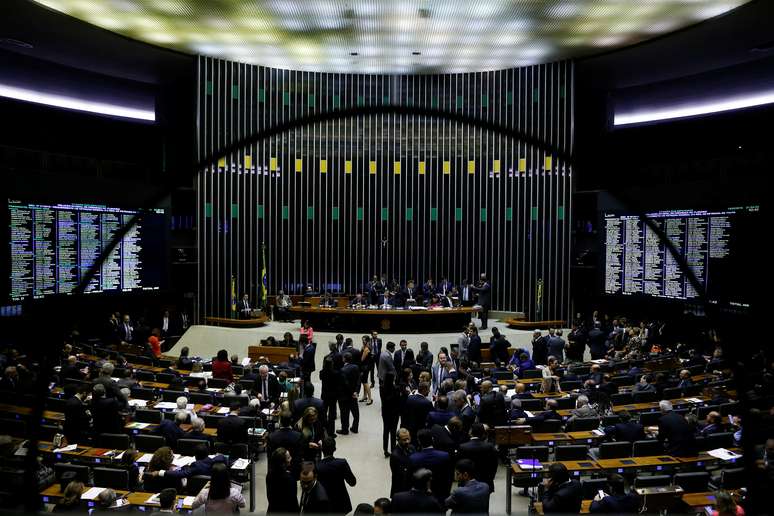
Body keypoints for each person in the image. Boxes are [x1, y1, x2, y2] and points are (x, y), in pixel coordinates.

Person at [410, 429, 452, 505]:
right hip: (440, 495)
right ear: (432, 439)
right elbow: (449, 477)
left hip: (420, 497)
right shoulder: (444, 456)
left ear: (419, 441)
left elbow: (411, 480)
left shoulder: (413, 458)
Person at [316, 437, 357, 515]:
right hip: (341, 504)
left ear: (322, 449)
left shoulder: (318, 466)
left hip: (325, 505)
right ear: (334, 449)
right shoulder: (342, 463)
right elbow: (352, 482)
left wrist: (318, 451)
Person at [458, 423, 498, 493]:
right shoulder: (490, 447)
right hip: (486, 482)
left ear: (470, 432)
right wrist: (490, 478)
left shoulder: (462, 447)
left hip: (467, 482)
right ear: (483, 433)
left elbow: (459, 465)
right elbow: (494, 464)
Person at [268, 413, 303, 477]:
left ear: (280, 421)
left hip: (276, 471)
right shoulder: (298, 436)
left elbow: (270, 457)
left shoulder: (272, 436)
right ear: (291, 421)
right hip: (292, 471)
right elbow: (298, 456)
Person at [266, 448, 299, 515]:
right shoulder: (290, 479)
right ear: (283, 463)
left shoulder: (269, 474)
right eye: (289, 457)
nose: (291, 458)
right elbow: (293, 501)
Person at [338, 351, 361, 435]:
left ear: (344, 359)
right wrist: (356, 392)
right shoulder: (356, 367)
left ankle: (345, 430)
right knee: (355, 413)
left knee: (344, 413)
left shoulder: (342, 370)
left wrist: (352, 392)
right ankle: (355, 428)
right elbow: (359, 380)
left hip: (344, 395)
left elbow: (346, 384)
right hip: (354, 395)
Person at [390, 428, 416, 496]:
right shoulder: (395, 455)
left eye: (408, 438)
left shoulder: (412, 448)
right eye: (404, 440)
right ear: (398, 440)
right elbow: (397, 474)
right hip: (401, 488)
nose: (407, 441)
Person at [381, 371, 400, 457]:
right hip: (394, 412)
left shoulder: (382, 388)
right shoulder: (395, 389)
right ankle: (393, 448)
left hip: (385, 412)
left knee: (386, 430)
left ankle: (385, 449)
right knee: (393, 431)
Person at [359, 339, 375, 405]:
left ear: (368, 341)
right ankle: (365, 396)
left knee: (365, 382)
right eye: (362, 340)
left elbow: (362, 359)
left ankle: (370, 398)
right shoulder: (363, 347)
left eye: (364, 340)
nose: (363, 341)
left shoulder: (366, 349)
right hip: (364, 367)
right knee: (363, 382)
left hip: (365, 368)